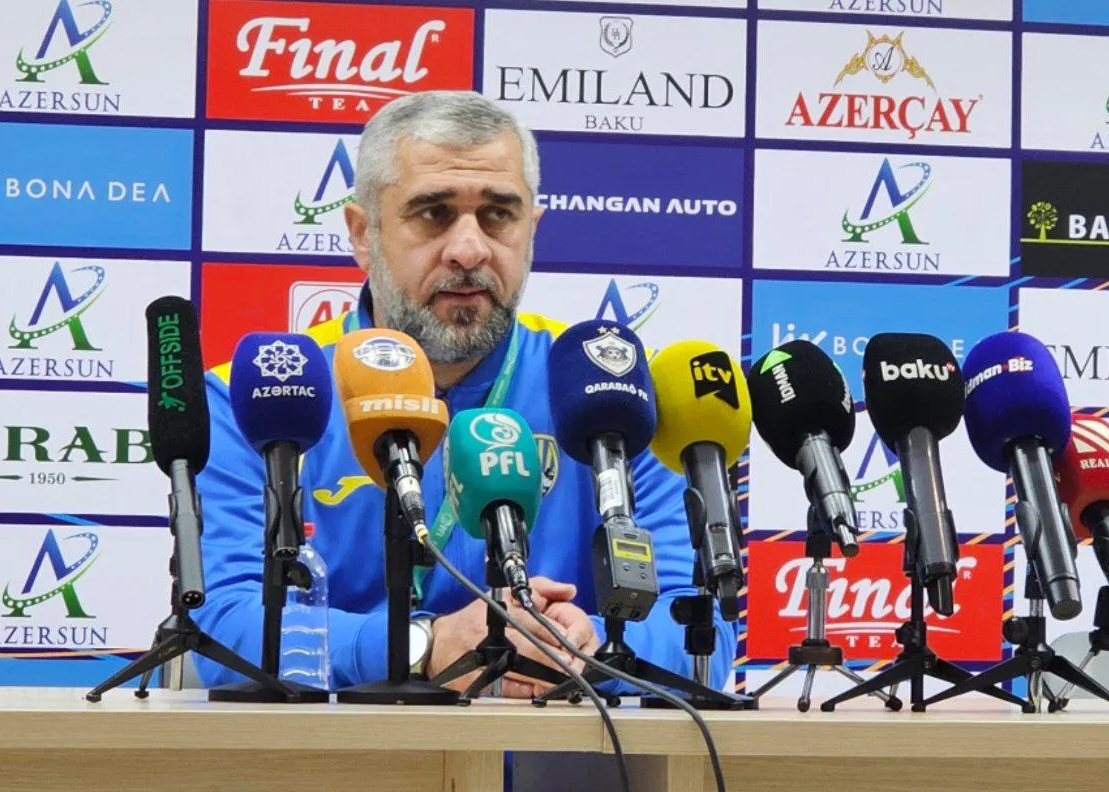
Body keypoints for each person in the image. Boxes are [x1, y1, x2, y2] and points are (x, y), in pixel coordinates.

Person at [193, 90, 735, 697]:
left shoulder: (618, 394)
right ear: (363, 234)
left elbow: (703, 635)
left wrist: (589, 649)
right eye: (433, 213)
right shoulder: (258, 399)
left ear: (532, 230)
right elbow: (224, 627)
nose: (470, 250)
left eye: (499, 214)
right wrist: (426, 646)